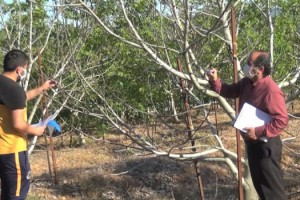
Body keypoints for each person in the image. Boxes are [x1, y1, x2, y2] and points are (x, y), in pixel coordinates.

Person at [207, 50, 288, 200]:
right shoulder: (247, 82)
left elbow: (282, 120)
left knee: (272, 192)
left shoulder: (271, 90)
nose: (245, 66)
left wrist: (258, 131)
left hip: (266, 146)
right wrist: (215, 80)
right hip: (252, 144)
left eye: (249, 63)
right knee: (261, 188)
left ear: (260, 69)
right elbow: (230, 91)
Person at [0, 49, 57, 200]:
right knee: (15, 195)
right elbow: (18, 124)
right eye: (25, 68)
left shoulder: (5, 87)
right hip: (12, 152)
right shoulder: (14, 89)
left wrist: (42, 88)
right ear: (20, 69)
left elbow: (19, 98)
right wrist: (36, 130)